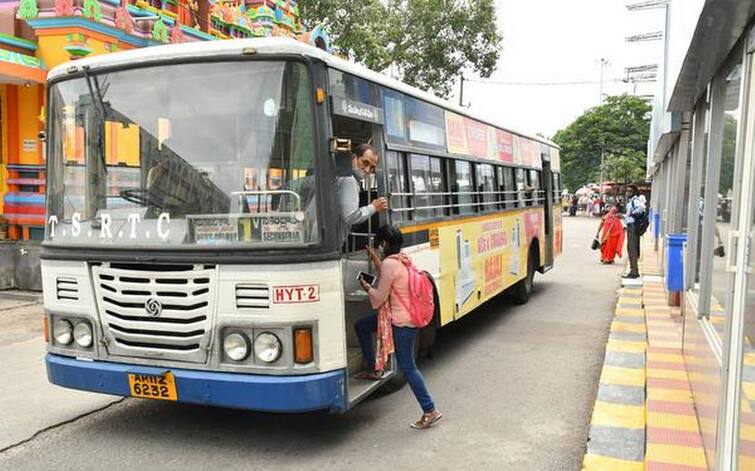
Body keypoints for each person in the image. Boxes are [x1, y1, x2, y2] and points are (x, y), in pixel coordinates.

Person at [354, 224, 442, 430]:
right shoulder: (402, 260)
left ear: (384, 243)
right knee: (362, 326)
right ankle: (374, 369)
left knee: (409, 368)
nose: (379, 246)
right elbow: (389, 276)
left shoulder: (389, 265)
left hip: (400, 322)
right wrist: (376, 259)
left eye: (380, 244)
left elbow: (378, 298)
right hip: (404, 318)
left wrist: (367, 287)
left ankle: (430, 410)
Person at [336, 144, 389, 246]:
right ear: (353, 158)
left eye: (372, 167)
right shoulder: (349, 180)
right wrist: (374, 207)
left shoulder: (341, 176)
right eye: (365, 163)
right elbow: (350, 217)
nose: (367, 170)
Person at [623, 184, 646, 279]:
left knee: (632, 249)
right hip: (630, 225)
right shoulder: (631, 201)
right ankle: (633, 270)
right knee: (630, 248)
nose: (628, 193)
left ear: (634, 192)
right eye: (627, 191)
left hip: (633, 226)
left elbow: (641, 208)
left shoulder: (635, 200)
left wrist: (632, 214)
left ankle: (634, 272)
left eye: (630, 191)